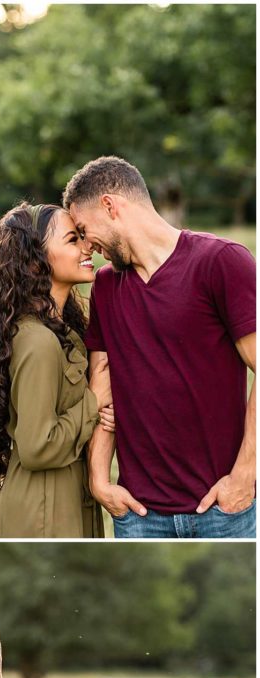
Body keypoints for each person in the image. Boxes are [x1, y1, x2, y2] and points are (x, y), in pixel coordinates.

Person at [63, 155, 256, 539]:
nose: (87, 245)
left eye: (84, 230)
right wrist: (100, 480)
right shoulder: (105, 286)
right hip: (139, 516)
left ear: (110, 206)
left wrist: (245, 477)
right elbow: (103, 385)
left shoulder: (221, 262)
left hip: (225, 511)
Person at [0, 202, 114, 538]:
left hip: (64, 501)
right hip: (44, 515)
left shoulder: (61, 330)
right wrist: (94, 400)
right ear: (36, 262)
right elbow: (37, 447)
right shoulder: (38, 341)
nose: (87, 246)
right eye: (73, 240)